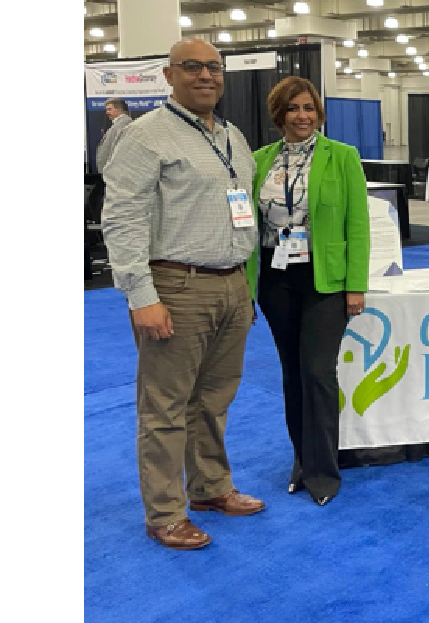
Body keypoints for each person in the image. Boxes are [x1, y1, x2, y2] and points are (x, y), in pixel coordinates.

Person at [102, 38, 264, 551]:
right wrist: (140, 295)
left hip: (231, 282)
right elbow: (122, 217)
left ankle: (210, 488)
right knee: (165, 408)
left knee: (214, 399)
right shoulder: (146, 135)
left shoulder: (232, 136)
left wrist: (245, 288)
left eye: (214, 67)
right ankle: (165, 514)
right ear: (169, 76)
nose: (205, 75)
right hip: (175, 285)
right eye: (192, 67)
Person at [247, 76, 370, 506]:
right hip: (275, 277)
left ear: (319, 112)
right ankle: (301, 460)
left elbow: (358, 225)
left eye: (309, 108)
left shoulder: (342, 156)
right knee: (292, 372)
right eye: (293, 108)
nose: (302, 116)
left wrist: (356, 285)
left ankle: (323, 472)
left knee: (318, 372)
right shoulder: (259, 160)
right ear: (278, 114)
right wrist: (247, 287)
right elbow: (248, 225)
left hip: (325, 278)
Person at [96, 97, 133, 173]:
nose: (107, 112)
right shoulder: (118, 124)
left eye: (109, 109)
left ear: (119, 109)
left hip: (116, 172)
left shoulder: (124, 124)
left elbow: (119, 150)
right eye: (107, 110)